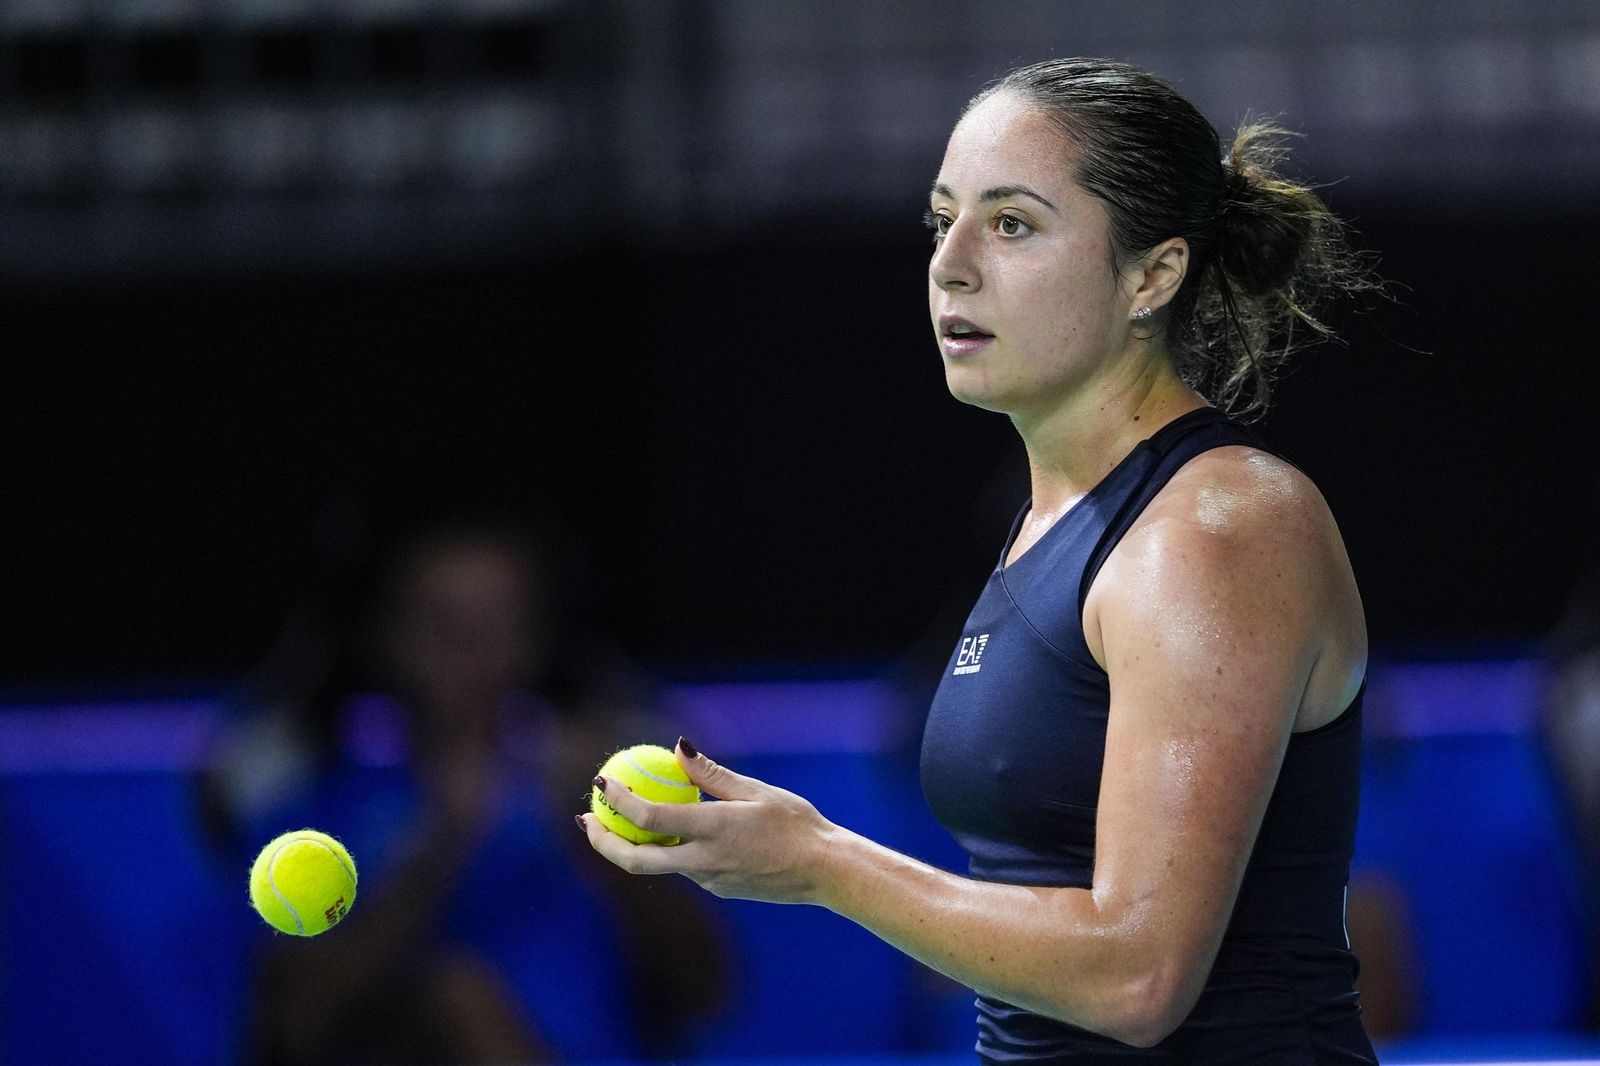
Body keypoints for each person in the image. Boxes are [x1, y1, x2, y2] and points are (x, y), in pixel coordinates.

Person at [580, 57, 1378, 1064]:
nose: (950, 264)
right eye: (941, 219)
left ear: (1151, 276)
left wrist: (820, 860)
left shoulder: (1214, 530)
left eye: (1010, 224)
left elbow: (1136, 975)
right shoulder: (1051, 521)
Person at [200, 475, 730, 1063]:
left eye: (503, 624)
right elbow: (290, 1028)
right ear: (383, 635)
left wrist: (604, 841)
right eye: (443, 627)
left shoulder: (606, 797)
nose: (477, 655)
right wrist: (442, 842)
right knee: (458, 998)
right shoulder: (318, 812)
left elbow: (706, 995)